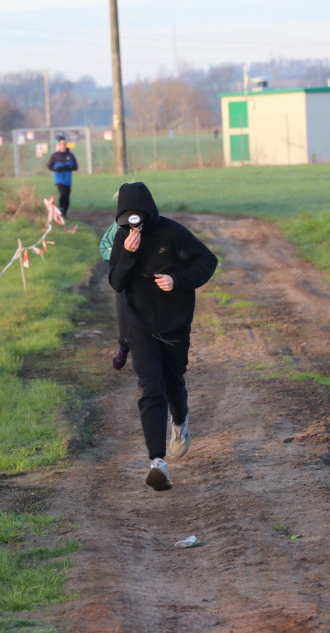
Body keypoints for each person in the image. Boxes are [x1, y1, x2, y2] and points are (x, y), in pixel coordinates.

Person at [108, 182, 217, 491]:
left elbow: (208, 260)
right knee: (149, 388)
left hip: (174, 325)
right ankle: (157, 462)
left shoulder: (172, 232)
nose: (133, 226)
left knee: (173, 383)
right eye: (127, 220)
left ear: (148, 213)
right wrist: (128, 255)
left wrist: (178, 280)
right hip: (140, 326)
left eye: (138, 218)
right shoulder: (121, 239)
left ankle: (180, 423)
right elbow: (116, 282)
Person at [99, 221, 130, 369]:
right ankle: (124, 347)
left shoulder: (155, 223)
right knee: (125, 325)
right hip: (124, 280)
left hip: (149, 283)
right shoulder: (118, 226)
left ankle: (145, 376)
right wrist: (125, 255)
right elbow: (105, 248)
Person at [46, 135, 78, 217]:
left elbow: (76, 167)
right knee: (63, 195)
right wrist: (56, 169)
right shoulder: (55, 156)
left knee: (67, 198)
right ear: (58, 145)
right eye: (61, 144)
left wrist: (70, 167)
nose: (63, 145)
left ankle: (64, 213)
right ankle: (60, 211)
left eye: (64, 144)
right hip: (59, 179)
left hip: (68, 180)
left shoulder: (70, 155)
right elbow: (49, 166)